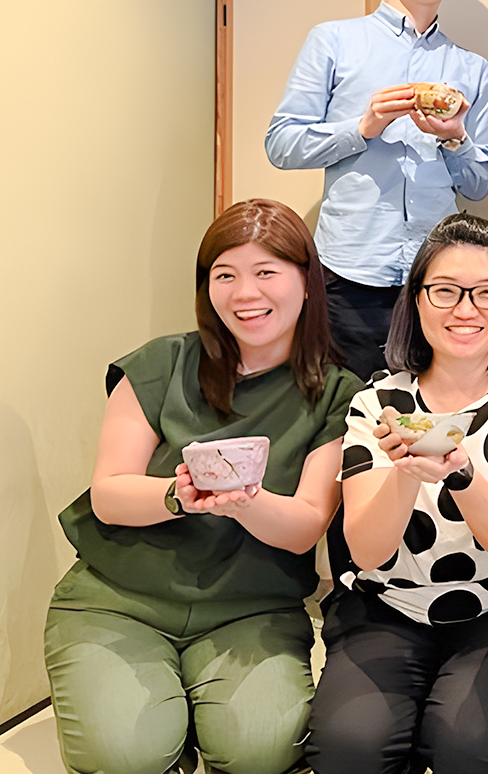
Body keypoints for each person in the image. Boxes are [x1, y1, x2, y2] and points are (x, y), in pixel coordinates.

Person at [44, 199, 361, 774]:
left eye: (266, 272)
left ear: (307, 281)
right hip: (120, 603)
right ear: (206, 286)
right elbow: (109, 494)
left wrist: (245, 500)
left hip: (250, 611)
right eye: (225, 275)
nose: (245, 293)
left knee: (260, 754)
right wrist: (179, 495)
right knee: (127, 758)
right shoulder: (162, 364)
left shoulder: (338, 393)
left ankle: (195, 708)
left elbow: (305, 527)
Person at [307, 214, 488, 774]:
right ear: (417, 301)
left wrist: (461, 473)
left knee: (466, 749)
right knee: (350, 749)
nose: (464, 310)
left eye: (487, 293)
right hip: (386, 604)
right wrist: (406, 471)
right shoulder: (376, 403)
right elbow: (367, 552)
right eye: (444, 291)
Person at [266, 0, 488, 381]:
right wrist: (363, 127)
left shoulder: (471, 69)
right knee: (344, 413)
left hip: (436, 277)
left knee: (427, 415)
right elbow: (281, 144)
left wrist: (456, 137)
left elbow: (480, 185)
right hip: (348, 268)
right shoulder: (333, 40)